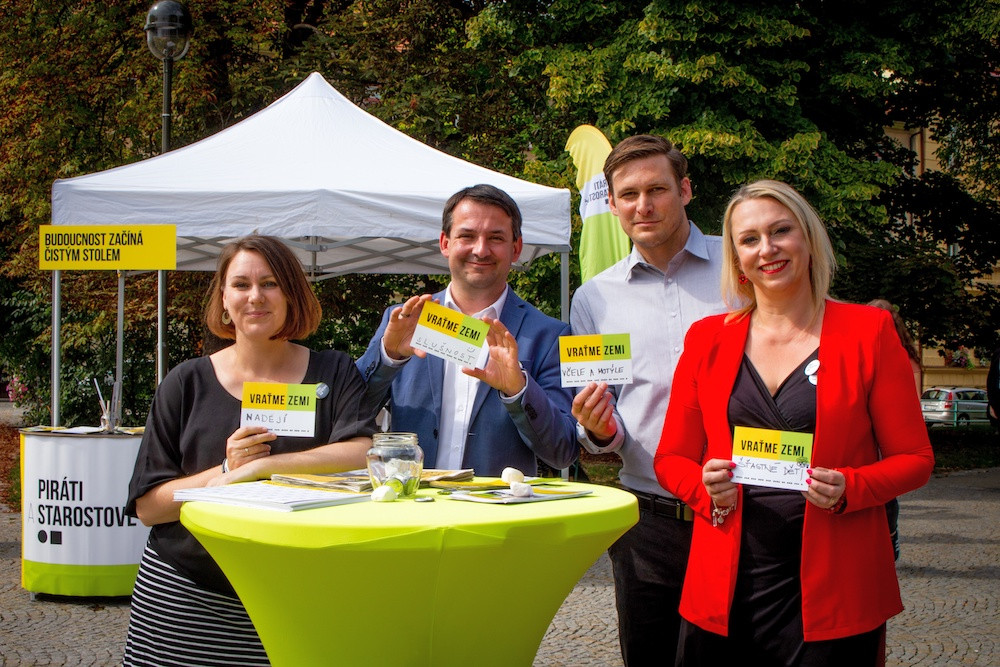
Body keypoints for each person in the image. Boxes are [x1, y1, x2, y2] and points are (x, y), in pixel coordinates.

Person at [654, 180, 934, 666]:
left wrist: (851, 487)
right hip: (727, 583)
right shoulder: (706, 339)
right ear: (737, 258)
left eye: (780, 231)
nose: (767, 249)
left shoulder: (869, 332)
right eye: (749, 239)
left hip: (837, 583)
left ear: (807, 238)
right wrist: (704, 487)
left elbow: (916, 459)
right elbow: (670, 458)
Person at [124, 235, 378, 666]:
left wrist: (265, 467)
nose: (255, 296)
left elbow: (360, 451)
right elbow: (149, 507)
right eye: (241, 285)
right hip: (188, 596)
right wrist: (226, 469)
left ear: (292, 294)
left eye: (270, 283)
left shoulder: (333, 371)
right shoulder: (185, 383)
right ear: (224, 298)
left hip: (296, 594)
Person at [569, 134, 726, 666]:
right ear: (613, 205)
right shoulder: (593, 298)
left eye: (657, 189)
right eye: (629, 194)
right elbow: (602, 423)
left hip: (741, 508)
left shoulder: (741, 266)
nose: (644, 205)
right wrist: (597, 428)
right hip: (648, 519)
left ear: (685, 190)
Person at [356, 184, 577, 476]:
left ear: (516, 248)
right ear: (445, 243)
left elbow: (562, 451)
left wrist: (518, 390)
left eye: (495, 238)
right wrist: (389, 357)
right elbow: (349, 413)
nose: (480, 250)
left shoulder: (548, 336)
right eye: (467, 236)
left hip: (497, 504)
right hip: (412, 499)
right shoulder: (405, 321)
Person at [867, 298, 922, 560]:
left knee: (885, 490)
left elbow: (913, 404)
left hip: (888, 434)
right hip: (866, 433)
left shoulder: (905, 359)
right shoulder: (860, 352)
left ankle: (890, 535)